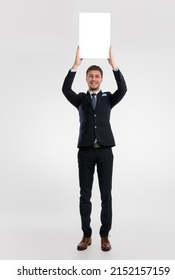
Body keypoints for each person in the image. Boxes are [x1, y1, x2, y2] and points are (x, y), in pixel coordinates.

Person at [62, 46, 127, 251]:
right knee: (85, 195)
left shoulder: (108, 98)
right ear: (86, 79)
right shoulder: (80, 99)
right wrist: (76, 66)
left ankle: (105, 236)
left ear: (101, 79)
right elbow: (65, 90)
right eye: (90, 76)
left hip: (106, 152)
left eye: (96, 76)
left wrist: (113, 65)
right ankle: (86, 235)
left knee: (106, 194)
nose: (93, 79)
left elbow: (123, 89)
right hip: (86, 152)